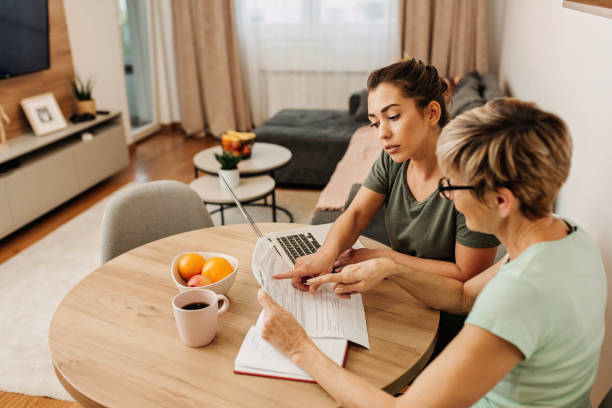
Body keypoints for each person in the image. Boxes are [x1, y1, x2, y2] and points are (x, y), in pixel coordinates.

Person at [258, 97, 607, 407]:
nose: (446, 196)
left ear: (501, 201)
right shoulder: (567, 235)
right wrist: (389, 267)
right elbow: (465, 296)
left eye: (452, 185)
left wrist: (298, 347)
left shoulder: (519, 297)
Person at [276, 59, 499, 355]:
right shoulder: (394, 159)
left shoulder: (469, 181)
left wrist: (386, 259)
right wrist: (325, 255)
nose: (381, 133)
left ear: (432, 112)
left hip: (448, 322)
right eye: (375, 122)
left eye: (393, 116)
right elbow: (355, 214)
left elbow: (466, 279)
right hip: (401, 291)